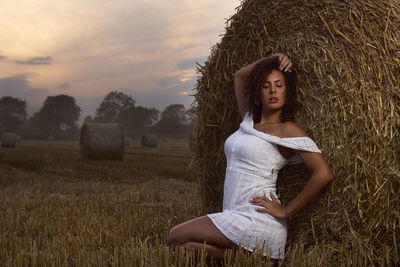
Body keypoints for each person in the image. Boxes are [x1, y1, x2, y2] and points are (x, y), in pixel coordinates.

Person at [167, 54, 334, 265]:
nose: (273, 90)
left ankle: (259, 257)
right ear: (258, 92)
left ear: (287, 91)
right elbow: (239, 77)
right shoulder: (248, 120)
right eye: (266, 86)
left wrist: (286, 211)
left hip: (258, 218)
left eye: (279, 85)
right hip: (234, 213)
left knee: (176, 236)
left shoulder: (288, 129)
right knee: (182, 251)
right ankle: (255, 262)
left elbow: (323, 174)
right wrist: (274, 59)